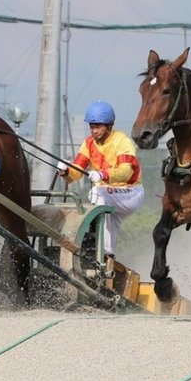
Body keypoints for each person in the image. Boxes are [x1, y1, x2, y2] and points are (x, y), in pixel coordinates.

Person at [55, 100, 145, 276]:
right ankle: (105, 257)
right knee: (107, 223)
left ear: (109, 125)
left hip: (130, 192)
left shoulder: (122, 141)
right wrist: (66, 171)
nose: (93, 130)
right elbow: (78, 170)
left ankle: (91, 244)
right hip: (110, 195)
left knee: (97, 191)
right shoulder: (88, 143)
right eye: (91, 126)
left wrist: (104, 175)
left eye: (98, 126)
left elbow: (127, 171)